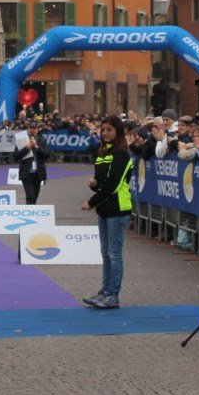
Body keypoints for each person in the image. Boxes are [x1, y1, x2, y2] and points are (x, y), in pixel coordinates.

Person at [80, 115, 134, 310]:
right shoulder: (103, 153)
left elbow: (113, 185)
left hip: (118, 208)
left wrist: (91, 202)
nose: (105, 133)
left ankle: (113, 295)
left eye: (109, 130)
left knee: (114, 253)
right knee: (105, 253)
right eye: (103, 130)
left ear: (118, 131)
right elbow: (102, 183)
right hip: (105, 207)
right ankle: (105, 291)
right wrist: (94, 185)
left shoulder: (121, 154)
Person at [12, 122, 49, 205]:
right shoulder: (22, 140)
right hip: (26, 172)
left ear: (37, 129)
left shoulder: (41, 140)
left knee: (35, 195)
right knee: (30, 195)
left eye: (34, 128)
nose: (32, 130)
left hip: (38, 172)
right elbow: (15, 156)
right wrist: (27, 148)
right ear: (27, 129)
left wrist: (37, 147)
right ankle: (30, 211)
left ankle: (32, 211)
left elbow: (47, 154)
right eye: (30, 128)